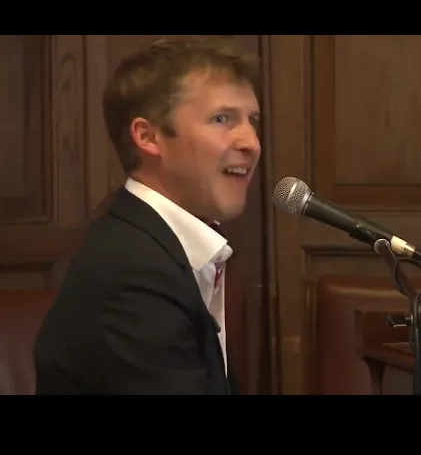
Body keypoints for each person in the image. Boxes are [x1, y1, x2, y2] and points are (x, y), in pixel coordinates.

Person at [33, 35, 262, 394]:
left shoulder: (154, 245)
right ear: (148, 136)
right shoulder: (133, 275)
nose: (252, 143)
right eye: (221, 119)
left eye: (252, 120)